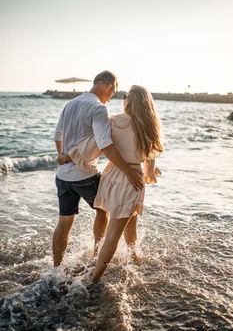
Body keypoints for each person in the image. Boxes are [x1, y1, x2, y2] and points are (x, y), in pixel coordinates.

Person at [58, 85, 163, 281]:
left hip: (110, 176)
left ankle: (129, 254)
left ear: (128, 102)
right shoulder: (150, 127)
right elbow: (148, 163)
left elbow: (94, 147)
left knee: (129, 218)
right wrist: (149, 172)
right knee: (114, 234)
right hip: (130, 179)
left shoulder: (114, 121)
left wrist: (69, 156)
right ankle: (94, 278)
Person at [53, 71, 143, 267]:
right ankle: (96, 256)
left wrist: (64, 157)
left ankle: (56, 268)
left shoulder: (71, 104)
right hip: (85, 176)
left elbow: (58, 135)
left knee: (64, 223)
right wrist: (128, 170)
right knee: (103, 211)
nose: (112, 98)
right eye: (114, 92)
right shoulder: (98, 108)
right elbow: (105, 145)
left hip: (62, 176)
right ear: (108, 86)